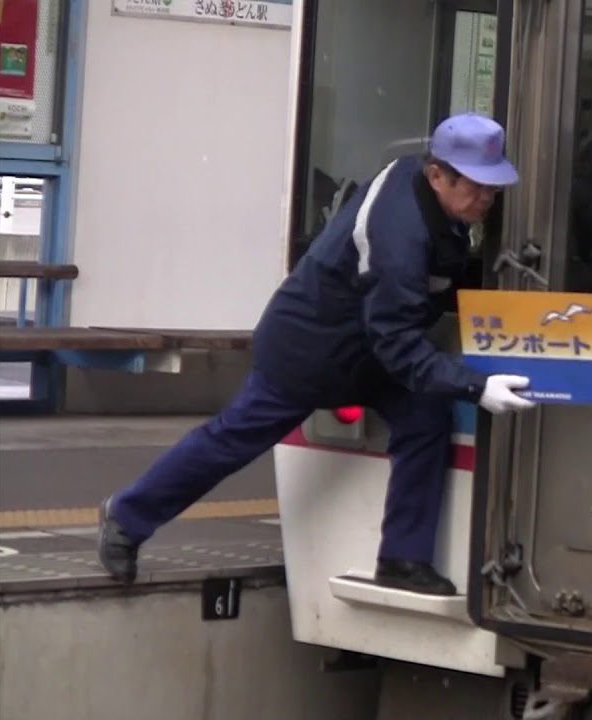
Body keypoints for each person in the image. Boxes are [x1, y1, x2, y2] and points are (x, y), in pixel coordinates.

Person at [96, 112, 537, 596]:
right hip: (308, 348)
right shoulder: (399, 236)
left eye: (494, 189)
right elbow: (397, 341)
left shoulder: (420, 182)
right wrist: (477, 386)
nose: (487, 200)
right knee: (232, 440)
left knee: (424, 413)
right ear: (436, 175)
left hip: (367, 348)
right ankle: (126, 517)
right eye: (476, 188)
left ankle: (403, 559)